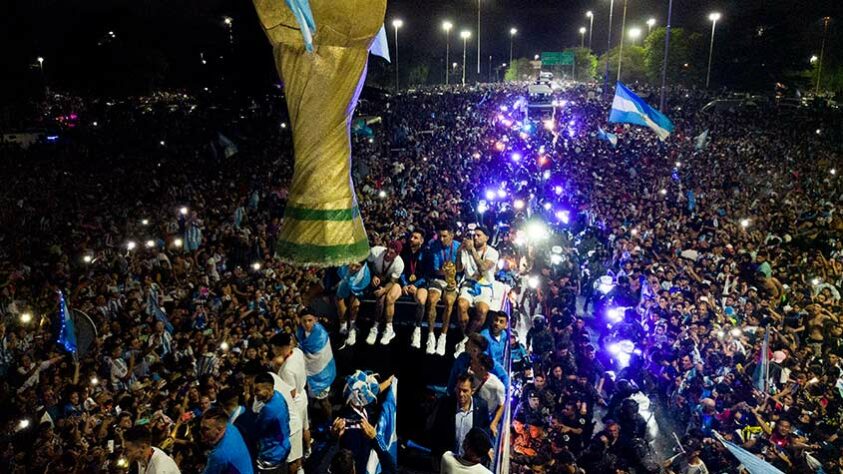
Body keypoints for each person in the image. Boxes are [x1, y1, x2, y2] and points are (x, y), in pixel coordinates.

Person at [331, 371, 396, 474]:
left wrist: (388, 382)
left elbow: (376, 391)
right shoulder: (350, 430)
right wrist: (375, 438)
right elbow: (391, 467)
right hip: (361, 456)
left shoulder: (347, 413)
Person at [455, 226, 499, 356]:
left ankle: (466, 339)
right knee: (461, 306)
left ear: (487, 238)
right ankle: (464, 336)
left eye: (479, 235)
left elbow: (484, 269)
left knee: (482, 311)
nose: (475, 237)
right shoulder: (466, 250)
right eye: (474, 235)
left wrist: (472, 250)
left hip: (484, 285)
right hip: (469, 284)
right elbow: (458, 269)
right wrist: (459, 252)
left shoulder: (492, 252)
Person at [429, 372, 491, 463]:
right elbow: (437, 431)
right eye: (458, 389)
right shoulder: (446, 404)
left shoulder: (481, 407)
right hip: (448, 461)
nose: (461, 394)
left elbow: (485, 431)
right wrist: (435, 456)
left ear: (472, 391)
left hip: (470, 463)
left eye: (465, 391)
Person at [269, 331, 311, 462]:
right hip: (303, 394)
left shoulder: (286, 369)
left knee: (296, 436)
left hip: (296, 401)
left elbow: (291, 393)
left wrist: (276, 369)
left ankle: (299, 464)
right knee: (306, 426)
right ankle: (309, 448)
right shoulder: (297, 352)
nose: (273, 351)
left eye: (274, 348)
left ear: (280, 348)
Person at [295, 308, 336, 425]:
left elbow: (313, 352)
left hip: (321, 372)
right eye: (304, 321)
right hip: (308, 371)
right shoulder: (300, 331)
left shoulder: (320, 334)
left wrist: (299, 348)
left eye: (310, 320)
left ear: (316, 320)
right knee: (308, 398)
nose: (307, 324)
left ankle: (331, 424)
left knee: (324, 401)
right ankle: (310, 421)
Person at [427, 223, 462, 356]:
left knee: (449, 302)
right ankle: (431, 335)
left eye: (444, 236)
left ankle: (443, 336)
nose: (441, 239)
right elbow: (436, 269)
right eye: (440, 236)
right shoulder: (435, 246)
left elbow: (460, 268)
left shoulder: (458, 247)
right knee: (431, 300)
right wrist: (447, 272)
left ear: (452, 235)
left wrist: (452, 275)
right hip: (439, 279)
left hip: (453, 281)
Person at [252, 372, 292, 473]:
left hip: (271, 454)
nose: (254, 393)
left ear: (269, 389)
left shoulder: (269, 409)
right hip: (283, 447)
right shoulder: (278, 395)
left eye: (257, 390)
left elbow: (257, 430)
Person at [366, 241, 405, 345]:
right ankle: (375, 327)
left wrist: (383, 290)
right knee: (380, 298)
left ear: (397, 254)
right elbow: (367, 264)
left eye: (392, 253)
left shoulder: (399, 263)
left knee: (383, 298)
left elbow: (392, 281)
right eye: (387, 251)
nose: (388, 254)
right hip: (374, 278)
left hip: (388, 282)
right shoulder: (376, 251)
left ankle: (379, 327)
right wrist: (372, 275)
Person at [400, 229, 431, 350]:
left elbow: (428, 274)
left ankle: (417, 329)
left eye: (415, 238)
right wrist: (404, 284)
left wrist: (416, 285)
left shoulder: (427, 253)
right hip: (406, 282)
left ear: (421, 241)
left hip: (420, 283)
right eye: (411, 237)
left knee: (421, 299)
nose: (411, 239)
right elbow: (401, 269)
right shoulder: (404, 251)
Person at [200, 407, 255, 474]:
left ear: (219, 429)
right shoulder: (230, 427)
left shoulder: (219, 454)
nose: (201, 432)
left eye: (206, 429)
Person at [335, 261, 371, 347]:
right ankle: (343, 326)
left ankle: (352, 328)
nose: (353, 268)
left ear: (362, 267)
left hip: (360, 290)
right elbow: (340, 281)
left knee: (354, 302)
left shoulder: (365, 275)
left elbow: (359, 290)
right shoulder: (344, 266)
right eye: (352, 265)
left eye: (357, 266)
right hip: (345, 285)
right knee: (339, 298)